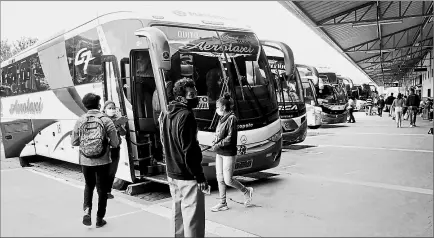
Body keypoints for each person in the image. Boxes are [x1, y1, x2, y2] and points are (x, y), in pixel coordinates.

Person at [159, 78, 208, 237]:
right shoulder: (186, 115)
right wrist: (199, 176)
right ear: (181, 97)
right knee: (193, 218)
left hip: (172, 172)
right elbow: (190, 149)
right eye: (191, 94)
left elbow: (164, 141)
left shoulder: (166, 114)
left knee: (178, 214)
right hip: (187, 175)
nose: (195, 98)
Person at [71, 93, 119, 228]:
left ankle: (87, 211)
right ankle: (99, 219)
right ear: (99, 105)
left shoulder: (80, 120)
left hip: (85, 160)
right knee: (102, 189)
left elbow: (74, 141)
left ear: (85, 106)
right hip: (103, 160)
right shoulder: (106, 120)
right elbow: (115, 143)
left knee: (89, 185)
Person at [210, 93, 254, 212]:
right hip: (219, 152)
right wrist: (215, 141)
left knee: (228, 180)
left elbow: (231, 138)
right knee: (220, 178)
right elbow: (219, 134)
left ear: (224, 107)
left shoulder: (232, 118)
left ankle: (246, 191)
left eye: (218, 107)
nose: (216, 110)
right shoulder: (221, 118)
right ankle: (222, 202)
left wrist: (217, 144)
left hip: (228, 153)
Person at [102, 100, 127, 199]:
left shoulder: (118, 119)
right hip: (105, 149)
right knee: (105, 170)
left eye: (113, 108)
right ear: (105, 109)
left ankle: (108, 191)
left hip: (115, 148)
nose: (112, 110)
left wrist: (119, 127)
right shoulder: (102, 120)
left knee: (112, 170)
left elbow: (124, 133)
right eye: (109, 108)